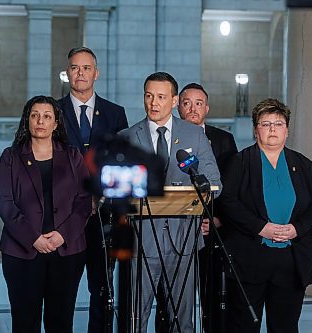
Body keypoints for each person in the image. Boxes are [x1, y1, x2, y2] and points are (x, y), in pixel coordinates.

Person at [120, 72, 222, 332]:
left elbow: (214, 183)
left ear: (174, 101)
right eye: (149, 96)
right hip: (142, 242)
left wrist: (188, 192)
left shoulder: (194, 135)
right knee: (135, 319)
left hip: (184, 239)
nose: (153, 103)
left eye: (161, 97)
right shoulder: (128, 137)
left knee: (182, 320)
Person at [218, 98, 312, 333]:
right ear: (256, 129)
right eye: (265, 124)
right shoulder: (239, 162)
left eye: (278, 123)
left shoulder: (302, 163)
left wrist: (298, 227)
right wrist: (260, 227)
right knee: (244, 326)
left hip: (291, 258)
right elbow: (228, 201)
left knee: (285, 326)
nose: (272, 129)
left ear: (287, 130)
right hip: (250, 257)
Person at [0, 95, 91, 333]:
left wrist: (62, 235)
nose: (40, 121)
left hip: (66, 251)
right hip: (22, 252)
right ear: (27, 121)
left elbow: (85, 201)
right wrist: (33, 238)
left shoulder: (72, 156)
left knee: (61, 321)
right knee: (25, 322)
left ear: (56, 123)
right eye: (35, 115)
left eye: (47, 116)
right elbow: (5, 203)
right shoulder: (11, 156)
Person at [58, 46, 128, 333]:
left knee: (103, 289)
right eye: (75, 67)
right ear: (67, 73)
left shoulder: (114, 114)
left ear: (96, 74)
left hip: (105, 216)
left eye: (86, 68)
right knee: (63, 289)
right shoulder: (53, 111)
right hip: (63, 215)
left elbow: (122, 162)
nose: (81, 73)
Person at [177, 82, 237, 332]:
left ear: (207, 108)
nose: (193, 108)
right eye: (187, 103)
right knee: (176, 300)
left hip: (213, 232)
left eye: (198, 103)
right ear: (178, 107)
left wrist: (217, 219)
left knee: (212, 298)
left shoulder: (224, 140)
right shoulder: (168, 137)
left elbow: (231, 186)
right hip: (177, 231)